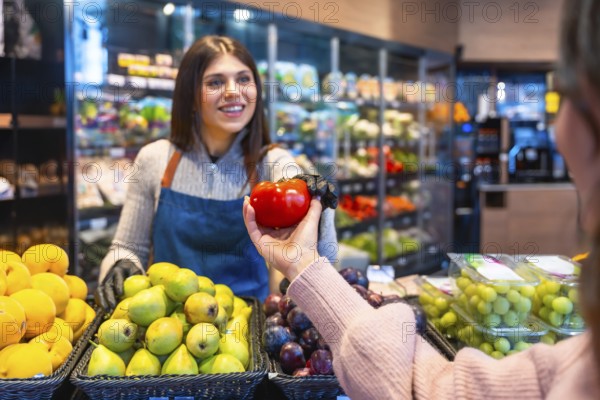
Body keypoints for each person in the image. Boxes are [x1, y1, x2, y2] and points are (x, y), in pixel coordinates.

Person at [243, 1, 600, 399]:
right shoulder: (574, 362)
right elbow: (435, 388)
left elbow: (418, 387)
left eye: (565, 91)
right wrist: (304, 265)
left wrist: (307, 266)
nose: (559, 125)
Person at [95, 35, 337, 309]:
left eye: (244, 79)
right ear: (192, 96)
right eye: (215, 82)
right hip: (168, 328)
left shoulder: (273, 162)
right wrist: (120, 265)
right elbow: (128, 247)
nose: (233, 90)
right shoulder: (154, 159)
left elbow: (322, 255)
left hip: (248, 331)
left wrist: (316, 199)